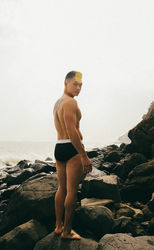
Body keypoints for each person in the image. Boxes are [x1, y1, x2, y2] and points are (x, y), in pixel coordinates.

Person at [53, 70, 92, 240]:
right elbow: (71, 130)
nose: (78, 88)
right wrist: (84, 155)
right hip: (71, 148)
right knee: (72, 191)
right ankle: (67, 232)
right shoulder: (70, 103)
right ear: (65, 83)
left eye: (81, 85)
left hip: (59, 147)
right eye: (75, 84)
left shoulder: (57, 103)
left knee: (62, 188)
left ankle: (58, 226)